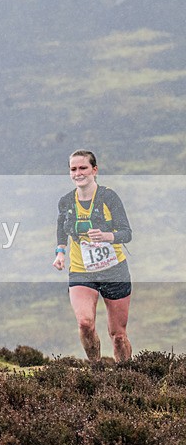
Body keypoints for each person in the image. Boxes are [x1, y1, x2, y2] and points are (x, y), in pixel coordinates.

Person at [53, 149, 132, 362]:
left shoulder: (109, 197)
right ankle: (96, 370)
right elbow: (62, 229)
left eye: (83, 168)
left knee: (117, 335)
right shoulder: (66, 201)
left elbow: (127, 233)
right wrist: (60, 253)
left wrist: (106, 236)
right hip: (81, 270)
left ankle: (125, 375)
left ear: (94, 170)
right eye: (73, 169)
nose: (78, 173)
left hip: (114, 270)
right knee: (85, 323)